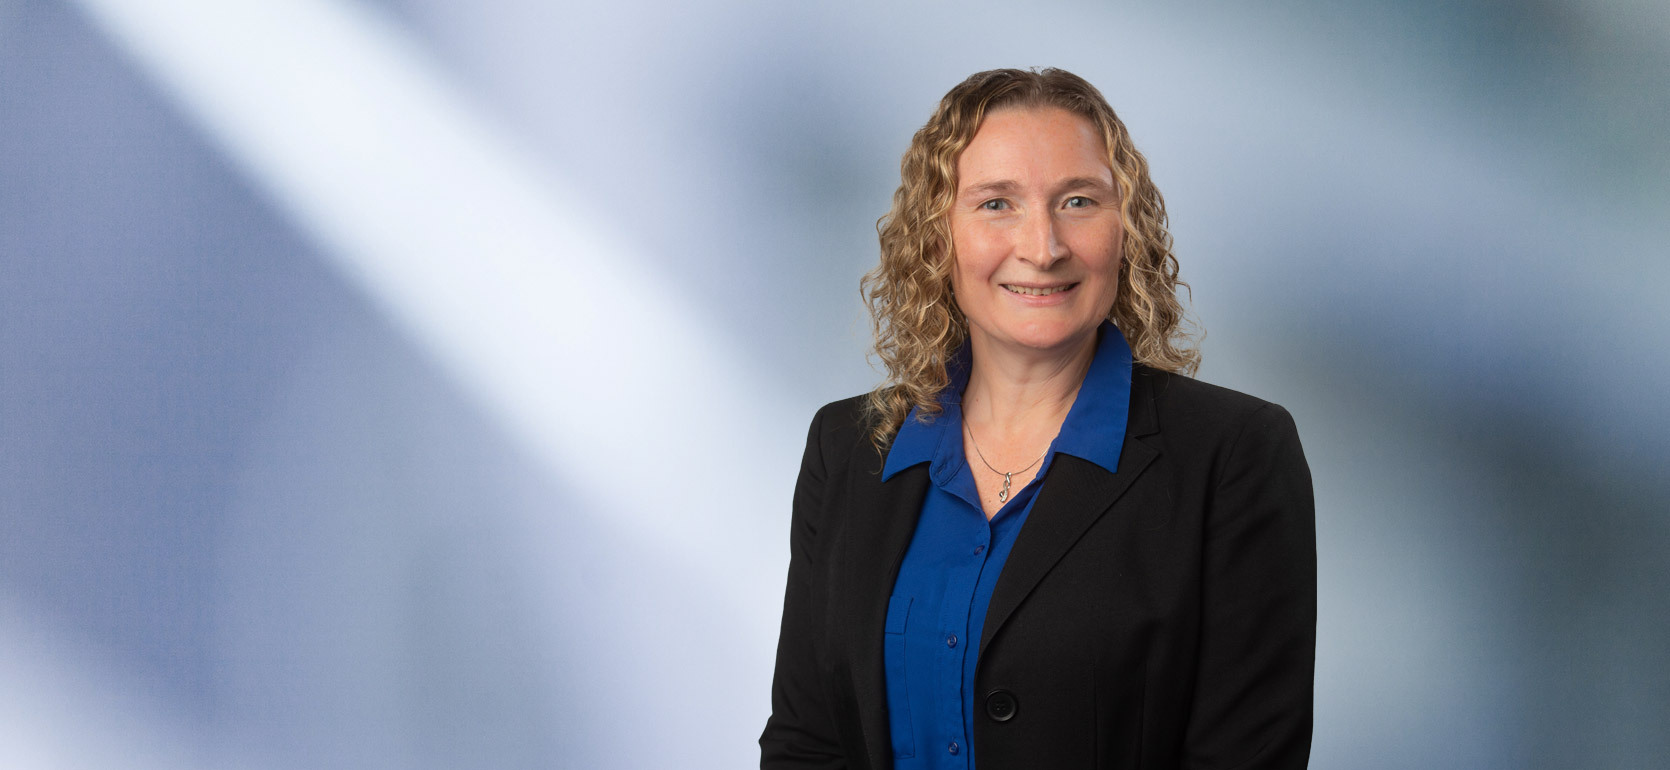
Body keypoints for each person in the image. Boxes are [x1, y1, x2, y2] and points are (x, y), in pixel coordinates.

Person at [760, 67, 1315, 769]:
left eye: (1078, 201)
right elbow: (807, 742)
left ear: (1126, 229)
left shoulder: (1234, 455)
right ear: (937, 237)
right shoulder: (846, 447)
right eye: (996, 204)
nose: (1044, 247)